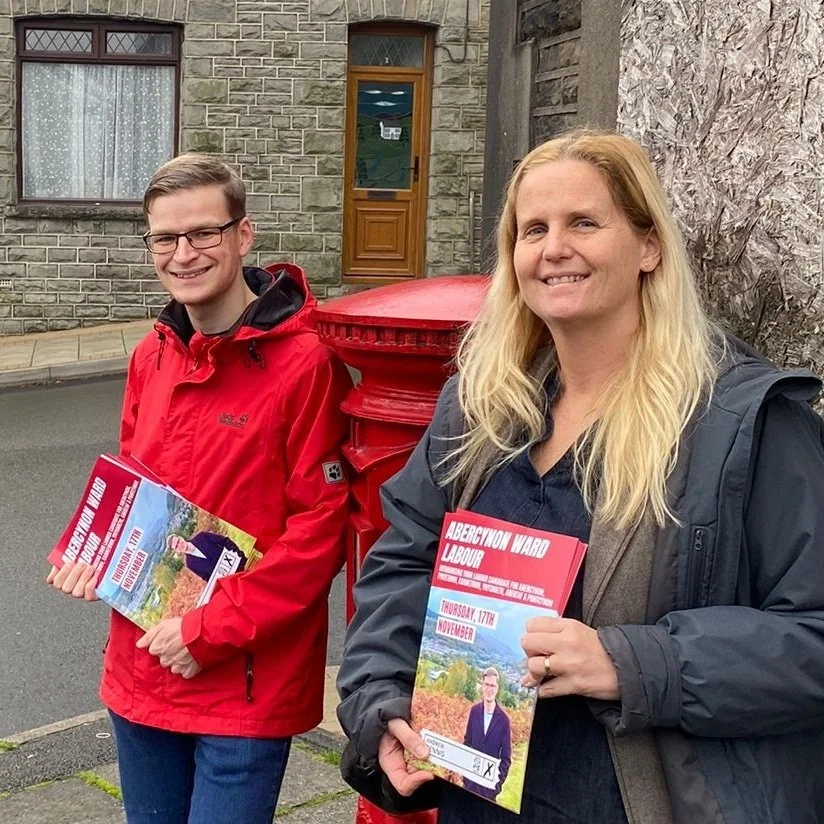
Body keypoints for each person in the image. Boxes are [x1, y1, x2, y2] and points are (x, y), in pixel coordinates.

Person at [335, 130, 824, 823]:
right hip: (481, 794)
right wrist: (378, 704)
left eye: (584, 223)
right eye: (532, 229)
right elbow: (400, 568)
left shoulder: (742, 421)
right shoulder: (480, 408)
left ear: (648, 247)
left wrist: (631, 663)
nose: (554, 248)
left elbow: (813, 638)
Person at [47, 153, 350, 824]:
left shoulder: (307, 366)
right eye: (165, 237)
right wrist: (92, 552)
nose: (183, 254)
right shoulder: (150, 355)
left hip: (242, 683)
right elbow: (135, 491)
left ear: (243, 236)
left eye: (203, 233)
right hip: (143, 668)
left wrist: (210, 629)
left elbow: (320, 533)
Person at [462, 667, 511, 800]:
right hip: (469, 786)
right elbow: (467, 743)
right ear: (482, 686)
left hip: (489, 792)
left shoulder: (504, 720)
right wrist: (465, 777)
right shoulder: (474, 711)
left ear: (497, 688)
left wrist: (496, 786)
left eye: (493, 686)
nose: (489, 689)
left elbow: (506, 758)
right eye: (487, 685)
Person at [166, 532, 246, 582]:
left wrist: (239, 555)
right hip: (233, 580)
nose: (180, 545)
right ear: (176, 551)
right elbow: (208, 578)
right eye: (176, 546)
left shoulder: (202, 536)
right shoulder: (190, 564)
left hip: (242, 564)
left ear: (181, 537)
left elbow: (225, 541)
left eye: (178, 541)